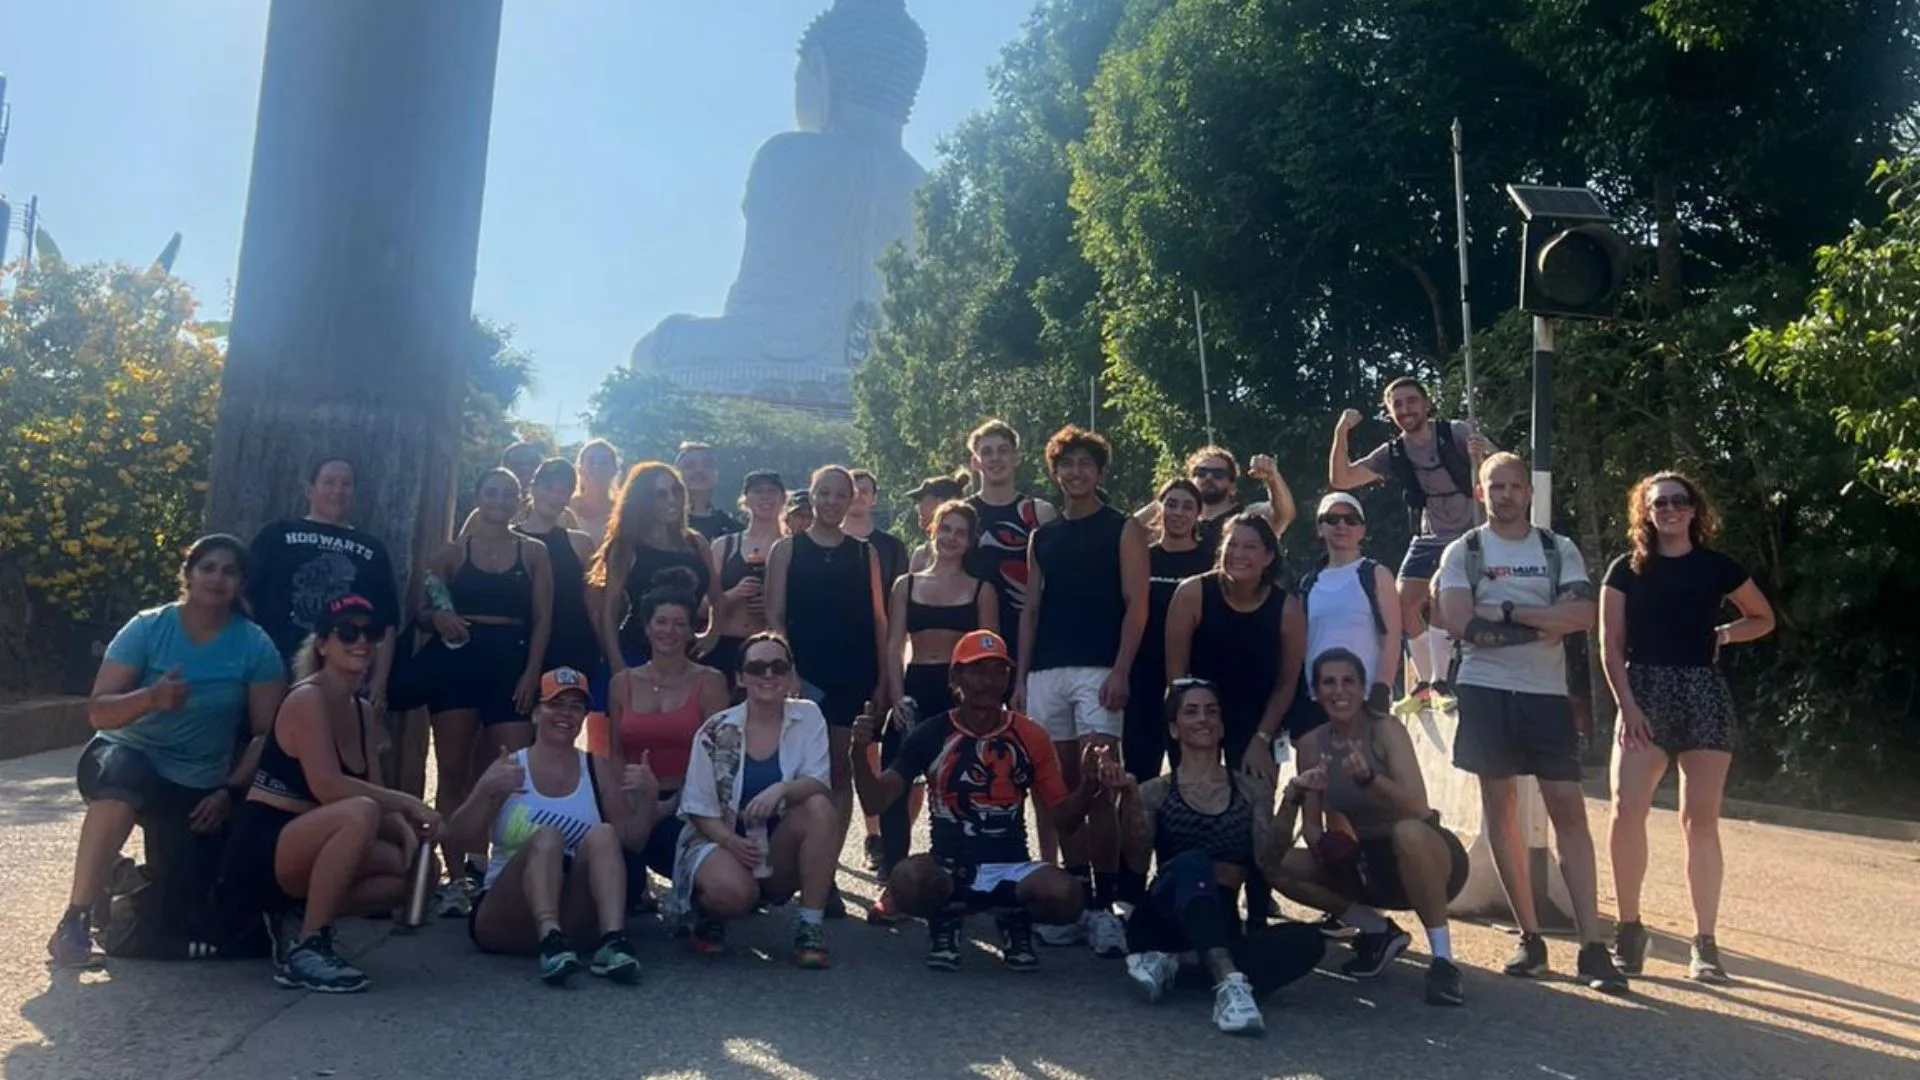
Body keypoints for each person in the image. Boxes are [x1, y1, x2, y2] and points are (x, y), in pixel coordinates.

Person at [1433, 452, 1627, 993]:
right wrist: (1543, 622)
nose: (1507, 494)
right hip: (1486, 690)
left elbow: (1581, 618)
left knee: (1568, 811)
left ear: (1529, 493)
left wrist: (1511, 613)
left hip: (1546, 694)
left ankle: (1592, 945)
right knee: (1503, 810)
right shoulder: (1464, 550)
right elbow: (1459, 621)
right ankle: (1530, 937)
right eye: (1497, 485)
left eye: (1516, 485)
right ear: (1480, 493)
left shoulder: (1557, 548)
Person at [49, 535, 287, 968]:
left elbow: (266, 734)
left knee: (184, 913)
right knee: (123, 783)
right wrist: (150, 699)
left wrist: (230, 792)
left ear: (241, 583)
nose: (217, 578)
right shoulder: (148, 627)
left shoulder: (255, 645)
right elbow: (98, 712)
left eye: (229, 571)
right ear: (189, 575)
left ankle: (122, 879)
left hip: (198, 783)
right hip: (123, 756)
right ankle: (75, 921)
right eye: (208, 568)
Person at [220, 595, 442, 992]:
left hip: (312, 842)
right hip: (267, 844)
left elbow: (376, 793)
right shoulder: (307, 697)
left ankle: (296, 919)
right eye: (347, 632)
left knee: (414, 872)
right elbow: (330, 787)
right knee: (358, 812)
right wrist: (410, 802)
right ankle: (308, 948)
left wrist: (412, 833)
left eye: (370, 633)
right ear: (322, 644)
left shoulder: (361, 711)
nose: (362, 641)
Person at [1602, 472, 1774, 983]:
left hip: (1703, 692)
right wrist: (1627, 706)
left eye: (1680, 501)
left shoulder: (1717, 567)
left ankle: (1705, 943)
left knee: (1699, 820)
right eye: (1660, 503)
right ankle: (1629, 930)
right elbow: (1610, 644)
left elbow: (1761, 617)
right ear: (1646, 512)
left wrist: (1726, 632)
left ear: (1695, 510)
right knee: (1626, 808)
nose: (1671, 510)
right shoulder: (1626, 570)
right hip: (1643, 693)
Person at [850, 630, 1099, 974]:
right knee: (905, 879)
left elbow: (1064, 819)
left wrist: (1090, 785)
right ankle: (946, 917)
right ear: (956, 677)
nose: (988, 682)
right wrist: (859, 754)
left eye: (999, 672)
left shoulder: (1031, 735)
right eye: (977, 670)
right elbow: (877, 799)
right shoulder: (931, 733)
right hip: (950, 863)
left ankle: (1015, 919)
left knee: (1068, 896)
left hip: (1011, 864)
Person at [1114, 679, 1328, 1034]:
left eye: (1212, 711)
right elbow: (1136, 862)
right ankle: (1228, 981)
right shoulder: (1155, 791)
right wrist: (1129, 801)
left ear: (1223, 725)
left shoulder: (1251, 788)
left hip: (1220, 926)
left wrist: (1293, 799)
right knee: (1193, 861)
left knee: (1310, 941)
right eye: (1192, 711)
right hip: (1161, 920)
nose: (1204, 719)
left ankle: (1177, 965)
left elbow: (1267, 862)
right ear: (1174, 728)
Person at [1270, 649, 1471, 1005]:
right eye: (1328, 682)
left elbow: (1419, 809)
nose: (1339, 691)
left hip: (1428, 854)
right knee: (1278, 864)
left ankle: (1443, 961)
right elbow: (1312, 828)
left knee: (1406, 833)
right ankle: (1378, 930)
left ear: (1363, 688)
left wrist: (1369, 780)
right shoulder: (1312, 743)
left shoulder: (1385, 729)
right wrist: (1311, 814)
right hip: (1369, 860)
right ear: (1316, 691)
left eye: (1348, 681)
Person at [1017, 425, 1149, 954]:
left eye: (1085, 464)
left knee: (1102, 784)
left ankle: (1105, 905)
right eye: (1066, 464)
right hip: (1046, 671)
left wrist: (1121, 670)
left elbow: (1136, 605)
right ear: (1055, 471)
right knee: (1060, 789)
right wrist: (1022, 679)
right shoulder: (1041, 536)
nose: (1075, 472)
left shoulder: (1124, 528)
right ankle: (1073, 896)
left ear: (1099, 472)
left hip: (1098, 671)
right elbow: (1030, 609)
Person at [447, 668, 651, 985]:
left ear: (584, 717)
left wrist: (649, 800)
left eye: (575, 707)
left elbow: (632, 842)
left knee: (604, 834)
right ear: (536, 712)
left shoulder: (598, 768)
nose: (565, 714)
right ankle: (549, 937)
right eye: (556, 704)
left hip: (577, 916)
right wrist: (485, 791)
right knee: (547, 838)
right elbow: (457, 837)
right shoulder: (510, 766)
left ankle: (613, 939)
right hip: (507, 915)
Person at [419, 468, 554, 915]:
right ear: (477, 496)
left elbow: (543, 619)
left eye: (507, 494)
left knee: (513, 773)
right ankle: (457, 876)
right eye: (491, 493)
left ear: (519, 500)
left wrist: (533, 672)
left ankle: (504, 869)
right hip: (457, 663)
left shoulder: (533, 552)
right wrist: (437, 618)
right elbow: (423, 604)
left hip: (511, 664)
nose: (499, 500)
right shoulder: (453, 552)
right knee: (454, 770)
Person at [1164, 512, 1301, 930]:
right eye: (1231, 544)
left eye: (1249, 547)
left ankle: (1257, 909)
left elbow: (1286, 683)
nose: (1237, 554)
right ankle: (1181, 896)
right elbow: (1176, 678)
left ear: (1267, 557)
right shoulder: (1193, 592)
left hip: (1257, 717)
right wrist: (1193, 727)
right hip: (1197, 710)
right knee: (1190, 801)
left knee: (1255, 804)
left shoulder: (1286, 607)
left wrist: (1262, 737)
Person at [672, 633, 842, 967]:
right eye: (757, 667)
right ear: (740, 677)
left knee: (820, 809)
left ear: (791, 674)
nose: (768, 675)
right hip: (720, 839)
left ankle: (810, 927)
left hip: (777, 845)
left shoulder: (809, 716)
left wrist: (781, 790)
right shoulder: (715, 729)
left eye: (778, 666)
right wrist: (730, 841)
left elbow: (818, 782)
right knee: (735, 894)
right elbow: (696, 808)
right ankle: (710, 913)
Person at [767, 465, 889, 916]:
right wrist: (788, 669)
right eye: (825, 493)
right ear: (812, 495)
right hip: (803, 677)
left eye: (842, 494)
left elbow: (879, 620)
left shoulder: (865, 554)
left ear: (853, 498)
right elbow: (775, 617)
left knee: (841, 773)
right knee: (800, 775)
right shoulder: (787, 550)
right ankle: (788, 867)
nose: (834, 501)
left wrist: (884, 679)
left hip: (852, 675)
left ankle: (825, 874)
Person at [869, 500, 999, 919]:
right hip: (916, 687)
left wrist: (982, 705)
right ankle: (894, 883)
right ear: (933, 530)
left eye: (961, 532)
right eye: (946, 529)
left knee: (966, 789)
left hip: (963, 694)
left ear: (970, 540)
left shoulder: (983, 590)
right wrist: (896, 694)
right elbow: (893, 646)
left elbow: (990, 654)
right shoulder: (906, 584)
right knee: (894, 783)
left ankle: (968, 879)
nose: (951, 539)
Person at [1330, 377, 1494, 698]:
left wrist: (1484, 453)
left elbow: (1501, 467)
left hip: (1468, 532)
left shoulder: (1454, 431)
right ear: (1390, 412)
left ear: (1426, 403)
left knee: (1440, 596)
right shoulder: (1393, 452)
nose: (1405, 409)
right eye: (1398, 405)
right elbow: (1342, 479)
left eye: (1411, 401)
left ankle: (1441, 680)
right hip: (1429, 533)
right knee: (1401, 603)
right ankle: (1423, 680)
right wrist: (1341, 432)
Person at [602, 574, 731, 907]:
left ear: (691, 631)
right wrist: (632, 807)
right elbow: (615, 752)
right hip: (631, 801)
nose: (668, 631)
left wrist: (667, 806)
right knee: (620, 895)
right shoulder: (621, 683)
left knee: (721, 894)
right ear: (647, 628)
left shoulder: (711, 682)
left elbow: (719, 758)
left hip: (689, 803)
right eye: (661, 622)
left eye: (679, 624)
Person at [245, 456, 402, 696]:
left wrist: (379, 684)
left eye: (346, 484)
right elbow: (244, 600)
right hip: (274, 670)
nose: (337, 490)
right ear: (310, 489)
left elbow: (386, 622)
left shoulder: (372, 550)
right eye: (328, 482)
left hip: (344, 678)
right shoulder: (278, 535)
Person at [1124, 480, 1215, 787]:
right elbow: (1128, 528)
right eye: (1171, 504)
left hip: (1195, 679)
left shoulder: (1211, 561)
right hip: (1143, 677)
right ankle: (1137, 835)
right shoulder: (1140, 557)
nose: (1178, 512)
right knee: (1139, 774)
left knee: (1194, 773)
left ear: (1199, 515)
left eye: (1188, 506)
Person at [1289, 492, 1402, 738]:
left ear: (1362, 530)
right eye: (1333, 519)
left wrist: (1382, 688)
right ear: (1320, 528)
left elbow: (1392, 637)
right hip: (1316, 698)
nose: (1342, 526)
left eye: (1351, 520)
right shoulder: (1308, 583)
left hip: (1364, 696)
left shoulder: (1375, 574)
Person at [592, 461, 722, 672]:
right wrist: (616, 662)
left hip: (688, 654)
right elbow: (608, 609)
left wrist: (712, 634)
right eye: (660, 494)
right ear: (643, 500)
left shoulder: (696, 543)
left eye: (675, 491)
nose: (671, 500)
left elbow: (717, 597)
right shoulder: (626, 545)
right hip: (636, 652)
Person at [963, 419, 1058, 675]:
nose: (995, 458)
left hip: (1034, 638)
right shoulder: (962, 515)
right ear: (975, 462)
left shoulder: (1039, 513)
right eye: (986, 451)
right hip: (974, 639)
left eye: (1003, 450)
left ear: (1016, 458)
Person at [518, 458, 601, 679]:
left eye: (563, 491)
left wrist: (609, 652)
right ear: (533, 488)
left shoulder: (580, 543)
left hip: (570, 644)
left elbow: (594, 604)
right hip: (518, 644)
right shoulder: (508, 539)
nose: (554, 497)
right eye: (548, 488)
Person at [1136, 447, 1298, 557]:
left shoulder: (1247, 516)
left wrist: (1272, 478)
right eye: (1201, 473)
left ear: (1233, 486)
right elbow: (1128, 530)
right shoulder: (1174, 520)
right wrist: (1168, 498)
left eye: (1218, 474)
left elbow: (1283, 515)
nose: (1209, 478)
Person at [708, 469, 787, 684]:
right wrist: (734, 594)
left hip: (772, 652)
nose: (765, 497)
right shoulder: (724, 546)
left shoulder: (794, 547)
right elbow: (700, 607)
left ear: (783, 499)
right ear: (745, 499)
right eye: (758, 491)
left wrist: (774, 609)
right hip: (726, 645)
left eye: (771, 491)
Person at [846, 468, 912, 593]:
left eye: (864, 491)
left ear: (874, 499)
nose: (857, 496)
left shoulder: (894, 548)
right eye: (852, 492)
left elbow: (900, 597)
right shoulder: (827, 544)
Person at [904, 471, 969, 573]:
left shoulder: (969, 553)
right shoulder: (920, 555)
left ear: (941, 503)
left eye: (922, 501)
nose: (918, 508)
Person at [677, 442, 743, 541]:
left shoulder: (733, 529)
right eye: (690, 466)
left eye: (706, 465)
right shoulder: (663, 525)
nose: (699, 470)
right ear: (676, 475)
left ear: (716, 475)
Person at [572, 439, 622, 545]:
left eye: (604, 462)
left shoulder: (623, 512)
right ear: (580, 469)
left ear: (614, 470)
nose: (597, 466)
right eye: (591, 461)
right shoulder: (565, 508)